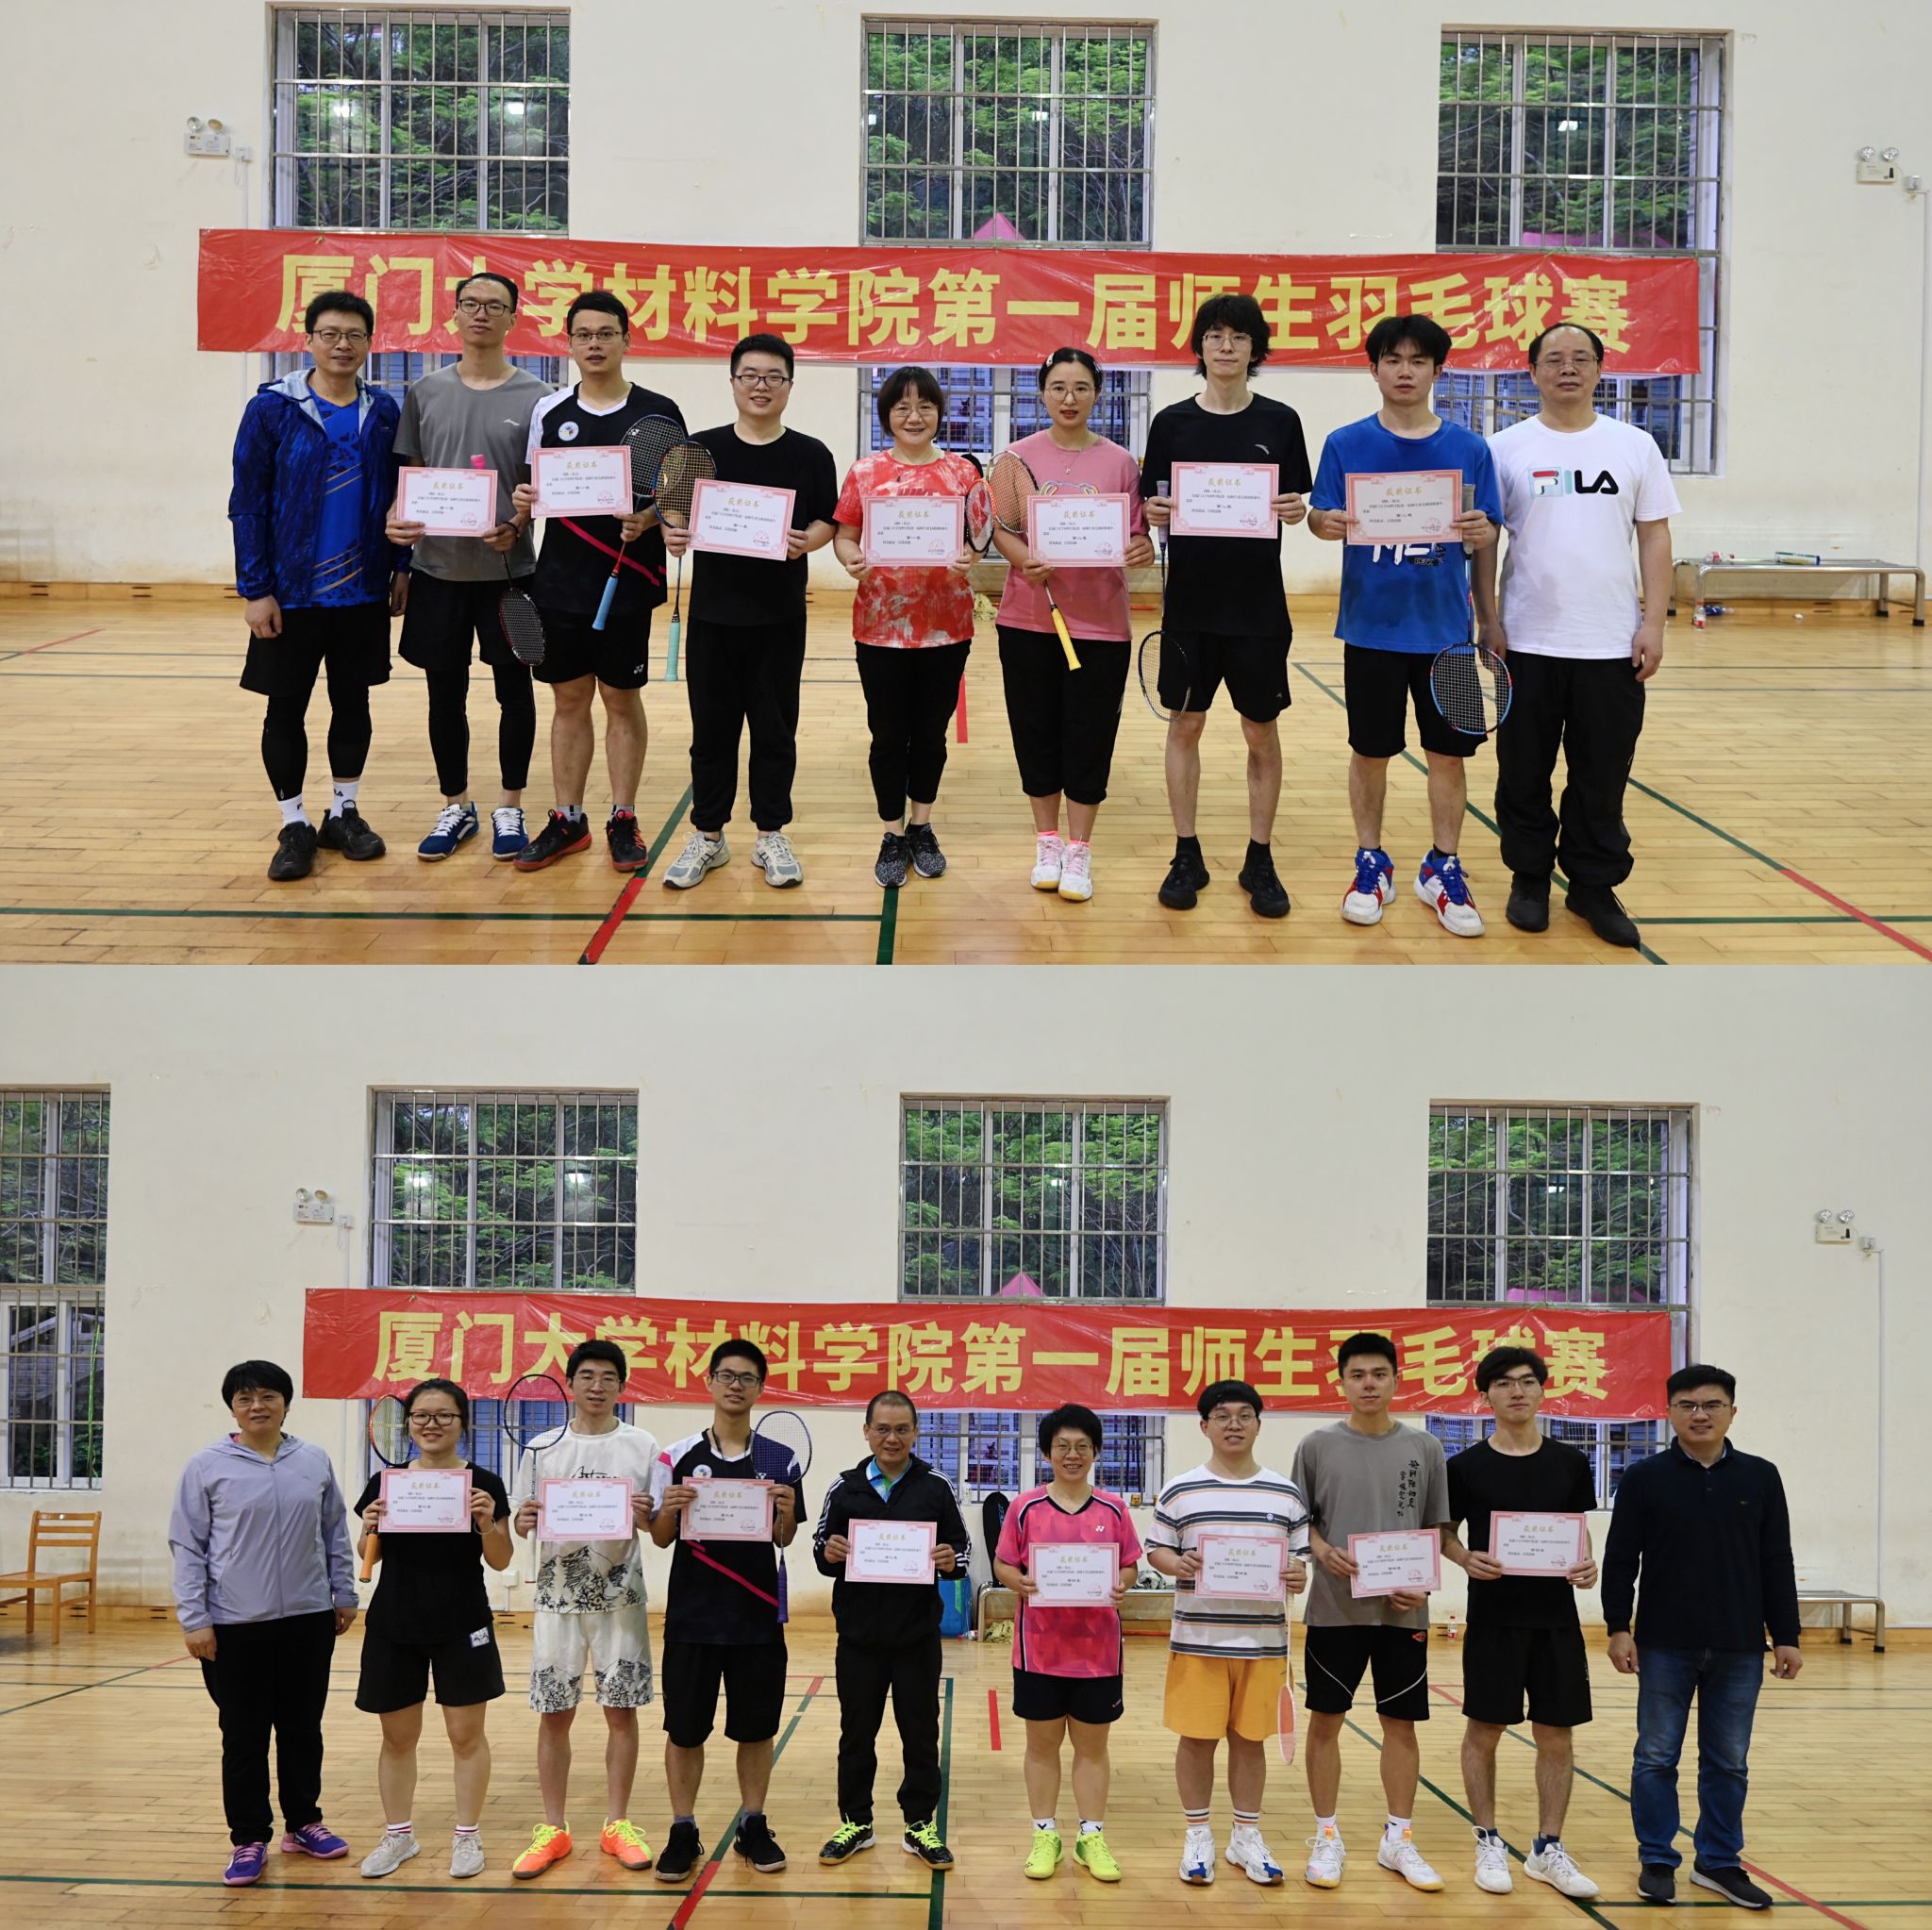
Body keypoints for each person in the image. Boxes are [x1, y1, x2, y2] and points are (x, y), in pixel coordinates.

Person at [1472, 322, 1681, 950]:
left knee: (1602, 775)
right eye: (1555, 359)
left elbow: (1655, 536)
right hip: (1527, 641)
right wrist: (1489, 617)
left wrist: (1653, 622)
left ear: (1599, 370)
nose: (1568, 369)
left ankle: (1592, 885)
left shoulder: (1634, 445)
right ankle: (1530, 878)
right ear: (1532, 372)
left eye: (1581, 359)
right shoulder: (1504, 448)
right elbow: (1486, 541)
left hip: (1610, 644)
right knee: (1523, 772)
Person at [1308, 314, 1503, 939]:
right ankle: (1371, 861)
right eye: (1392, 359)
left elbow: (1488, 535)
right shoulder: (1345, 443)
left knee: (1449, 756)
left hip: (1448, 635)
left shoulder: (1470, 450)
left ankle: (1442, 866)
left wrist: (1489, 610)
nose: (1405, 371)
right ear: (1374, 369)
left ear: (1437, 371)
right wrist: (1324, 523)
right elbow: (1318, 515)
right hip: (1370, 631)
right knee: (1371, 752)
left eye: (1418, 361)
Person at [1603, 1365, 1801, 1910]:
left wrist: (1786, 1634)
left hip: (1740, 1646)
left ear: (1732, 1412)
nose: (1700, 1414)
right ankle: (1657, 1860)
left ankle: (1718, 1861)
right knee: (1655, 1757)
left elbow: (1776, 1560)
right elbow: (1620, 1560)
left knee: (1728, 1762)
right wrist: (1618, 1627)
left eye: (1712, 1405)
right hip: (1664, 1644)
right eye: (1687, 1405)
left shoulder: (1761, 1476)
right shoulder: (1644, 1478)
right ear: (1669, 1412)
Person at [1140, 293, 1312, 920]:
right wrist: (1154, 510)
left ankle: (1259, 856)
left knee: (1260, 731)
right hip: (1190, 606)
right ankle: (1186, 852)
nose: (1226, 346)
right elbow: (1153, 504)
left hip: (1258, 608)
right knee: (1185, 725)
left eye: (1239, 337)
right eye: (1215, 335)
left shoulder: (1281, 421)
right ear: (1200, 346)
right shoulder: (1172, 424)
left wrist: (1296, 510)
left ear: (1254, 348)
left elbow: (1297, 504)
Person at [231, 290, 407, 883]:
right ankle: (293, 823)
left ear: (369, 343)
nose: (342, 345)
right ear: (308, 340)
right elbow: (247, 503)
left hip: (362, 591)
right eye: (330, 334)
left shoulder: (383, 411)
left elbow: (401, 496)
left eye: (354, 335)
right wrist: (255, 589)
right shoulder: (272, 410)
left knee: (353, 703)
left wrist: (401, 567)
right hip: (291, 594)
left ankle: (343, 812)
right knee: (286, 708)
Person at [510, 291, 685, 873]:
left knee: (619, 698)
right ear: (569, 343)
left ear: (626, 341)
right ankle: (568, 818)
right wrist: (521, 505)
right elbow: (534, 489)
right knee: (568, 699)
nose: (594, 343)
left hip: (628, 579)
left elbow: (678, 495)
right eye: (583, 334)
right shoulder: (549, 411)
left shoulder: (659, 411)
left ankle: (623, 816)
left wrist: (650, 518)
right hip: (560, 580)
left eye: (606, 333)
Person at [168, 1358, 359, 1887]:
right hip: (234, 1624)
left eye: (268, 1396)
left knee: (303, 1728)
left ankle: (304, 1823)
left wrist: (344, 1592)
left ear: (286, 1404)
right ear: (233, 1408)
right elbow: (188, 1546)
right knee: (244, 1735)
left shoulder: (313, 1460)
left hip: (308, 1618)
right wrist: (195, 1618)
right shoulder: (206, 1466)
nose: (258, 1406)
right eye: (246, 1398)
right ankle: (248, 1837)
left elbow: (334, 1532)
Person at [658, 334, 839, 891]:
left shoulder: (811, 454)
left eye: (773, 377)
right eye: (750, 376)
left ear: (789, 385)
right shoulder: (701, 449)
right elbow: (673, 516)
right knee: (711, 732)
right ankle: (708, 835)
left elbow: (827, 520)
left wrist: (808, 542)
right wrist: (672, 534)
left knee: (775, 730)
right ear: (733, 381)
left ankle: (770, 834)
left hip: (780, 617)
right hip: (713, 617)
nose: (761, 386)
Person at [385, 272, 550, 863]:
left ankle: (510, 806)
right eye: (470, 304)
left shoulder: (539, 398)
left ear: (513, 318)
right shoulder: (425, 391)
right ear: (454, 314)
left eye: (494, 306)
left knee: (515, 693)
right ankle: (456, 805)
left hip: (510, 575)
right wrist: (397, 526)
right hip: (438, 573)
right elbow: (410, 476)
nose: (481, 313)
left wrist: (518, 524)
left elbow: (542, 488)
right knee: (443, 695)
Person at [991, 349, 1155, 903]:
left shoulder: (1121, 462)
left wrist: (1141, 549)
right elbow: (1002, 528)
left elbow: (1136, 534)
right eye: (1058, 387)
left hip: (1101, 625)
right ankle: (1047, 842)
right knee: (1034, 732)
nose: (1069, 398)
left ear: (1096, 395)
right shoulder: (1016, 457)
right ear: (1042, 392)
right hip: (1027, 621)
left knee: (1090, 737)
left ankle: (1080, 849)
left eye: (1081, 388)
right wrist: (1022, 559)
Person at [1291, 1331, 1453, 1892]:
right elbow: (1300, 1523)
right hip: (1334, 1611)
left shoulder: (1425, 1448)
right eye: (1357, 1375)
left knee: (1401, 1725)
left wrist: (1423, 1586)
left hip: (1402, 1615)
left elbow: (1435, 1528)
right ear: (1341, 1382)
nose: (1368, 1384)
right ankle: (1326, 1835)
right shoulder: (1315, 1446)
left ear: (1396, 1380)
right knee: (1325, 1722)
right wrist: (1320, 1550)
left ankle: (1398, 1839)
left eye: (1379, 1374)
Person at [1440, 1347, 1602, 1899]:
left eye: (1527, 1381)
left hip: (1556, 1621)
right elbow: (1444, 1532)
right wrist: (1465, 1558)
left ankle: (1547, 1847)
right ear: (1486, 1395)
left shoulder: (1570, 1463)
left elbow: (1576, 1529)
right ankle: (1487, 1840)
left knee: (1556, 1733)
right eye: (1505, 1383)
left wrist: (1587, 1562)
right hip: (1494, 1619)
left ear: (1542, 1390)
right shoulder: (1464, 1467)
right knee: (1484, 1730)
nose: (1517, 1391)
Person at [645, 1338, 807, 1883]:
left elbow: (784, 1537)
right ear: (710, 1381)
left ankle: (752, 1823)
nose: (736, 1385)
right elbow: (661, 1538)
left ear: (760, 1388)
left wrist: (786, 1511)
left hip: (757, 1618)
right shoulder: (676, 1456)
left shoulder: (779, 1459)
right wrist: (668, 1510)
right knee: (684, 1731)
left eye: (747, 1378)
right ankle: (683, 1827)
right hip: (692, 1617)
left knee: (755, 1730)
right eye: (727, 1375)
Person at [1143, 1379, 1310, 1888]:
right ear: (1204, 1426)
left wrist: (1299, 1573)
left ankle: (1245, 1836)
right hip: (1199, 1641)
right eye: (1222, 1416)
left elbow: (1300, 1559)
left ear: (1259, 1425)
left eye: (1244, 1415)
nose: (1233, 1424)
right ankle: (1198, 1835)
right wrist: (1176, 1562)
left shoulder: (1285, 1493)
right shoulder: (1181, 1488)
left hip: (1265, 1646)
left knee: (1250, 1742)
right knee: (1196, 1740)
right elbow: (1156, 1549)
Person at [507, 1339, 661, 1880]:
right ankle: (554, 1828)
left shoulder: (642, 1445)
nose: (597, 1386)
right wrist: (524, 1519)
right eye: (587, 1376)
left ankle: (617, 1823)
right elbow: (520, 1521)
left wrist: (645, 1515)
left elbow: (657, 1526)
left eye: (608, 1377)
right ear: (570, 1383)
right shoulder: (540, 1448)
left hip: (621, 1598)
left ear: (622, 1386)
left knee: (622, 1712)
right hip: (556, 1599)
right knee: (555, 1714)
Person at [352, 1378, 513, 1880]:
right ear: (408, 1424)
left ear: (462, 1424)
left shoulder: (484, 1483)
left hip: (463, 1622)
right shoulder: (386, 1482)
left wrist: (485, 1523)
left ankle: (467, 1836)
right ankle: (399, 1835)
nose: (432, 1424)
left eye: (445, 1415)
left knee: (466, 1736)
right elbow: (368, 1554)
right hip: (395, 1622)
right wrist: (370, 1525)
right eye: (421, 1415)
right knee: (398, 1737)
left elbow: (502, 1560)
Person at [832, 367, 980, 889]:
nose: (914, 417)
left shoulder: (963, 473)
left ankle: (922, 826)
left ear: (939, 413)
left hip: (947, 628)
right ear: (887, 415)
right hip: (880, 628)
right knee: (889, 734)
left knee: (932, 734)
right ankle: (892, 833)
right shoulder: (865, 472)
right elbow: (845, 536)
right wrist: (850, 559)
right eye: (902, 407)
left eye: (925, 406)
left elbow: (978, 537)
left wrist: (970, 554)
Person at [811, 1389, 970, 1870]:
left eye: (902, 1429)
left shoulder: (936, 1487)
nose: (892, 1438)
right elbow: (820, 1548)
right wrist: (830, 1552)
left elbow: (962, 1551)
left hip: (916, 1638)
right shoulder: (844, 1488)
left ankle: (920, 1823)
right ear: (867, 1431)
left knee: (920, 1734)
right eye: (882, 1429)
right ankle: (856, 1822)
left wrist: (950, 1561)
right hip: (858, 1638)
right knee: (856, 1734)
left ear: (915, 1432)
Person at [990, 1404, 1143, 1883]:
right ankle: (1045, 1834)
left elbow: (1130, 1565)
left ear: (1095, 1452)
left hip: (1099, 1656)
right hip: (1038, 1651)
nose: (1072, 1455)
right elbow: (1003, 1563)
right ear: (1047, 1453)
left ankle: (1090, 1837)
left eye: (1082, 1446)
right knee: (1042, 1746)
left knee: (1092, 1748)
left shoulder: (1114, 1508)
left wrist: (1122, 1583)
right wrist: (1017, 1582)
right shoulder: (1025, 1507)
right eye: (1062, 1447)